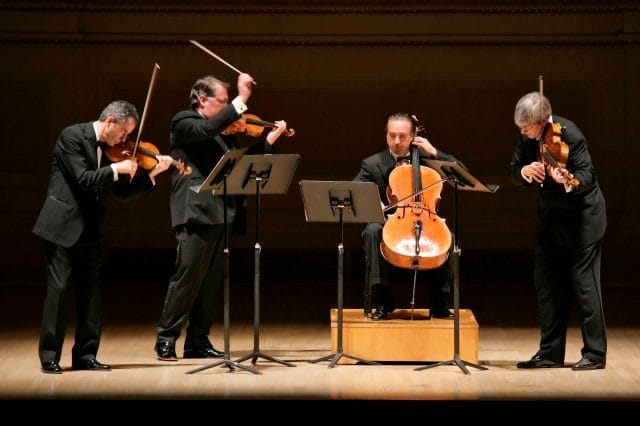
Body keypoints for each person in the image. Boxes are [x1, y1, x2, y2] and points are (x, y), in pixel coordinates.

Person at [33, 100, 174, 374]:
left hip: (90, 229)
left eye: (129, 135)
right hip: (61, 227)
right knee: (59, 291)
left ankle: (86, 355)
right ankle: (49, 355)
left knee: (91, 295)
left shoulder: (114, 153)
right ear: (110, 121)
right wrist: (114, 170)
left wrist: (152, 174)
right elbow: (82, 179)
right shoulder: (71, 136)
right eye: (124, 133)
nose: (126, 140)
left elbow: (121, 193)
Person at [155, 73, 288, 361]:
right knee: (188, 276)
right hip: (195, 209)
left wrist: (268, 140)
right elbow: (208, 128)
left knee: (211, 280)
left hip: (220, 211)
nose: (230, 108)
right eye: (223, 101)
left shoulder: (220, 134)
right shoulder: (184, 122)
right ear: (202, 99)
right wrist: (241, 99)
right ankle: (166, 338)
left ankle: (197, 341)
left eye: (230, 102)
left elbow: (238, 165)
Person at [510, 91, 607, 371]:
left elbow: (588, 175)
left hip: (582, 221)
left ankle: (595, 354)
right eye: (520, 129)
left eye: (528, 128)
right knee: (547, 287)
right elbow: (514, 170)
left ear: (542, 121)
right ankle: (550, 353)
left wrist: (569, 179)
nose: (524, 134)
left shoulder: (570, 135)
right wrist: (526, 172)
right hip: (551, 220)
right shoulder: (526, 136)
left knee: (585, 286)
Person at [353, 112, 463, 321]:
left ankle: (439, 303)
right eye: (392, 135)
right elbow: (355, 192)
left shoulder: (427, 160)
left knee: (449, 239)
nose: (396, 141)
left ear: (413, 136)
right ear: (386, 135)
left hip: (424, 219)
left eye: (402, 136)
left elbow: (462, 175)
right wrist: (374, 204)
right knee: (373, 230)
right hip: (390, 223)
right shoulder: (372, 163)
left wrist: (435, 152)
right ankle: (383, 300)